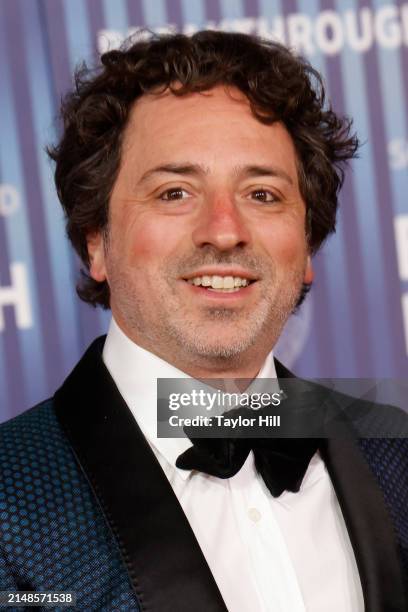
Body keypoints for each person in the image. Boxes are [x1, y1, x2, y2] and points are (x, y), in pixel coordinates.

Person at [0, 30, 406, 611]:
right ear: (97, 242)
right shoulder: (9, 501)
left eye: (262, 194)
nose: (223, 230)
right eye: (174, 193)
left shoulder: (395, 452)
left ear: (307, 244)